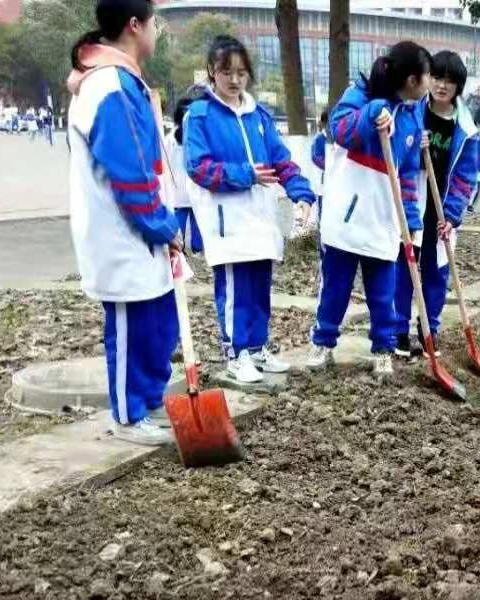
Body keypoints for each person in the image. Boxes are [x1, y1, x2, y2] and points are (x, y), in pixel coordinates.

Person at [65, 0, 180, 446]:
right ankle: (128, 415)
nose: (157, 31)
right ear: (135, 26)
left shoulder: (124, 82)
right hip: (123, 231)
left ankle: (149, 402)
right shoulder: (109, 86)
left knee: (156, 321)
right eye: (154, 22)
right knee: (131, 325)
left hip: (142, 230)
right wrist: (162, 225)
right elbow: (129, 173)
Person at [182, 35, 316, 384]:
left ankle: (257, 348)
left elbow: (281, 161)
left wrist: (302, 193)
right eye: (227, 71)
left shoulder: (259, 115)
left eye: (241, 72)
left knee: (259, 288)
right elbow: (198, 167)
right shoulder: (200, 115)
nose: (234, 79)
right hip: (227, 220)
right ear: (212, 71)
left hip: (261, 216)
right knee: (235, 289)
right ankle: (235, 353)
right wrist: (245, 175)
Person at [311, 41, 431, 376]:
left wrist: (410, 217)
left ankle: (383, 347)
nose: (429, 84)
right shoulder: (360, 94)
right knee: (336, 288)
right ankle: (323, 342)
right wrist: (373, 112)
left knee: (383, 293)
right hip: (347, 216)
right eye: (426, 77)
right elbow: (339, 129)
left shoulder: (413, 112)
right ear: (410, 79)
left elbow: (406, 172)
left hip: (384, 218)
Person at [393, 50, 480, 358]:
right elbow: (396, 155)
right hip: (413, 203)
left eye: (450, 81)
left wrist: (453, 216)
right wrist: (414, 147)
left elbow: (466, 177)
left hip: (441, 211)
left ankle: (429, 329)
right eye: (437, 77)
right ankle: (398, 332)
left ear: (459, 87)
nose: (442, 85)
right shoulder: (412, 113)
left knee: (436, 272)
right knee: (405, 267)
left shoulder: (467, 130)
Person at [167, 85, 206, 255]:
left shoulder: (170, 138)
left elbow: (164, 161)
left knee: (179, 220)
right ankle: (198, 250)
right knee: (197, 219)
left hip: (177, 188)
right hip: (196, 184)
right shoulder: (197, 135)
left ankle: (178, 250)